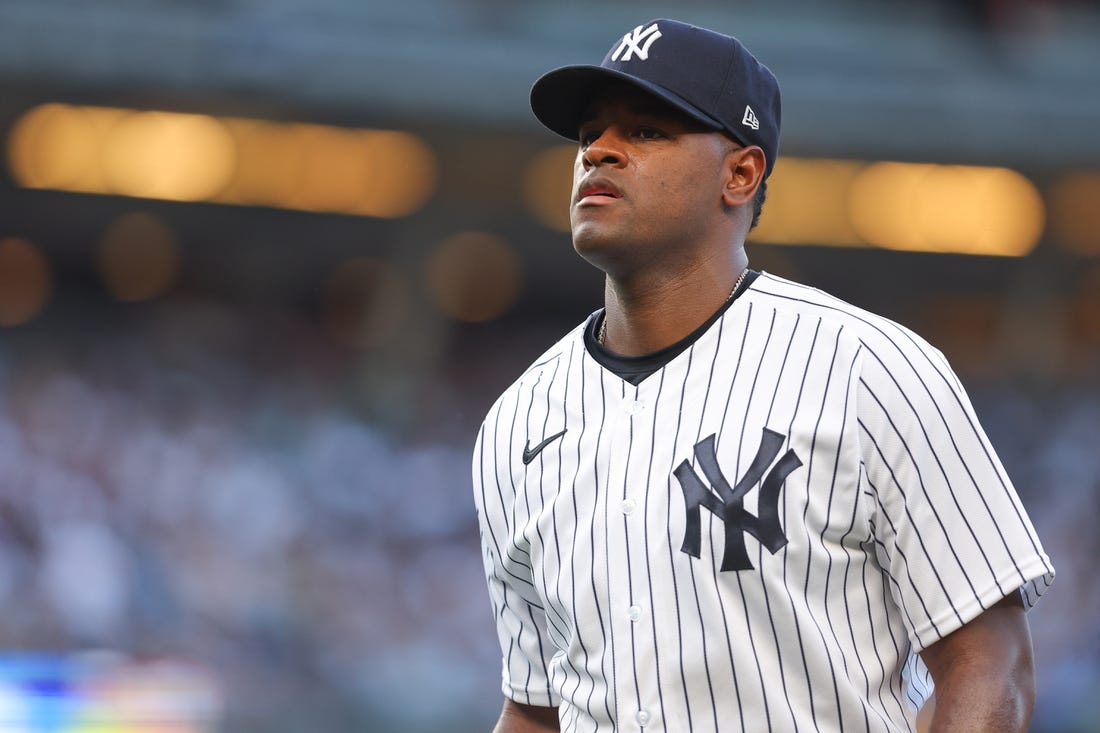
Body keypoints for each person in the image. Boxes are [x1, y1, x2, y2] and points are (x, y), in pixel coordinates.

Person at [471, 18, 1054, 733]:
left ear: (741, 173)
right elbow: (536, 708)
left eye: (646, 132)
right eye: (591, 132)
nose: (598, 151)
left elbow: (990, 667)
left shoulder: (869, 368)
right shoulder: (516, 422)